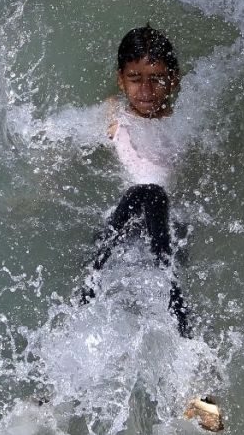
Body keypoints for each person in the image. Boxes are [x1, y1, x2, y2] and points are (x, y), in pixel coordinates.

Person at [78, 25, 191, 339]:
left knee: (152, 194)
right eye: (135, 79)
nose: (146, 90)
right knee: (142, 192)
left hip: (167, 226)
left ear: (174, 79)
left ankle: (186, 344)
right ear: (121, 80)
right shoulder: (116, 119)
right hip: (123, 221)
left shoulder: (184, 123)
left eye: (156, 79)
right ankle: (77, 319)